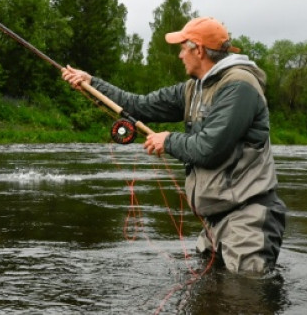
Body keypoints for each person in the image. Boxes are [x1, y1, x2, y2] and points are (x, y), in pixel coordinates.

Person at [61, 16, 286, 274]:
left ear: (198, 50)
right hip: (213, 222)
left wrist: (167, 140)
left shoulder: (239, 85)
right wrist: (91, 83)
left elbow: (210, 149)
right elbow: (138, 106)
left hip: (248, 219)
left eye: (183, 48)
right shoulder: (193, 88)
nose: (180, 55)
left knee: (246, 298)